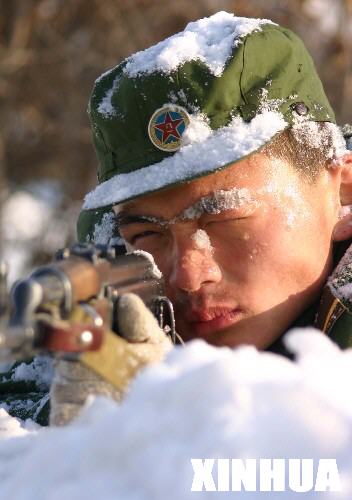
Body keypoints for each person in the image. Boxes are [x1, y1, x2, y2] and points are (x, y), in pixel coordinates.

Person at [3, 12, 352, 425]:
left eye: (224, 218)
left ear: (342, 191)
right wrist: (76, 420)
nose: (188, 275)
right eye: (149, 232)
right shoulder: (114, 275)